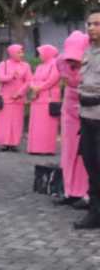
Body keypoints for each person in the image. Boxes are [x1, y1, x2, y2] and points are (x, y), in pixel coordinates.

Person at [73, 10, 100, 229]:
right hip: (87, 117)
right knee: (91, 166)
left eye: (97, 24)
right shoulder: (88, 52)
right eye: (89, 24)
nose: (91, 28)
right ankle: (95, 213)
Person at [58, 30, 90, 208]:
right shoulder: (60, 62)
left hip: (90, 109)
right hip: (69, 109)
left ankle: (87, 192)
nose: (72, 61)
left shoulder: (94, 62)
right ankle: (69, 190)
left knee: (87, 152)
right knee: (69, 150)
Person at [0, 44, 31, 151]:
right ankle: (4, 143)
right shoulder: (3, 64)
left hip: (18, 98)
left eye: (22, 52)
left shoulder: (25, 66)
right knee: (4, 121)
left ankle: (14, 143)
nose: (21, 54)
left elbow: (28, 81)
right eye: (19, 52)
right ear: (12, 53)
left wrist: (19, 93)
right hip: (5, 98)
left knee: (16, 121)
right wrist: (11, 76)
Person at [26, 44, 61, 155]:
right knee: (36, 124)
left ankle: (46, 149)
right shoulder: (40, 66)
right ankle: (35, 148)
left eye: (41, 53)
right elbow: (32, 79)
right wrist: (32, 86)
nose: (40, 55)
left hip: (48, 99)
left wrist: (39, 87)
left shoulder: (55, 64)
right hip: (36, 98)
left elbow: (52, 80)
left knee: (47, 125)